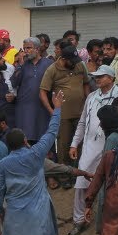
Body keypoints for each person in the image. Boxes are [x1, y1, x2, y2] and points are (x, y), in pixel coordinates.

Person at [0, 97, 66, 235]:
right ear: (25, 140)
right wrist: (57, 108)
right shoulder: (36, 154)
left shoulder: (3, 164)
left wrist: (1, 212)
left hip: (14, 217)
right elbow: (52, 131)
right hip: (38, 216)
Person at [68, 65, 118, 235]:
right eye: (96, 77)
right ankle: (79, 220)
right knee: (81, 182)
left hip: (111, 145)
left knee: (110, 183)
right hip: (90, 146)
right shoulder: (91, 97)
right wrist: (74, 144)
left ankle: (107, 220)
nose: (97, 79)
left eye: (101, 76)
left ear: (111, 78)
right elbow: (83, 122)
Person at [41, 48, 89, 176]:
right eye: (71, 61)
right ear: (63, 59)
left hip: (81, 114)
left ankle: (79, 175)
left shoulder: (79, 65)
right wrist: (52, 111)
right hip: (63, 116)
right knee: (63, 147)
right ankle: (64, 177)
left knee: (80, 145)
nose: (75, 63)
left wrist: (88, 102)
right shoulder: (52, 69)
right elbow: (43, 92)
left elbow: (86, 84)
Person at [11, 37, 52, 142]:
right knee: (26, 139)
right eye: (24, 48)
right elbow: (14, 82)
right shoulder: (23, 65)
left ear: (37, 49)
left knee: (42, 139)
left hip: (43, 108)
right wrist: (20, 64)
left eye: (29, 48)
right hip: (24, 109)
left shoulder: (49, 64)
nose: (26, 51)